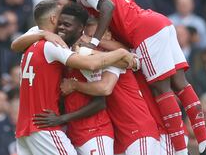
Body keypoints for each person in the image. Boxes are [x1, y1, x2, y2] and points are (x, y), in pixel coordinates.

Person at [56, 0, 206, 155]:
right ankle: (204, 144)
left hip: (143, 31)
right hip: (158, 23)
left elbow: (107, 6)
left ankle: (181, 152)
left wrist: (93, 43)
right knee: (180, 84)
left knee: (162, 90)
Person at [15, 0, 136, 155]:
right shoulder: (53, 45)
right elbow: (91, 64)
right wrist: (122, 54)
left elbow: (101, 95)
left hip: (29, 129)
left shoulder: (31, 44)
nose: (61, 27)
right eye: (60, 21)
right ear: (53, 19)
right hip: (44, 126)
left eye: (66, 24)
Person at [32, 15, 161, 155]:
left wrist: (74, 85)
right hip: (121, 135)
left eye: (95, 38)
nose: (90, 42)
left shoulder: (112, 58)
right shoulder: (103, 57)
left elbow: (105, 88)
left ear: (108, 34)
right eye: (88, 37)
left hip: (138, 130)